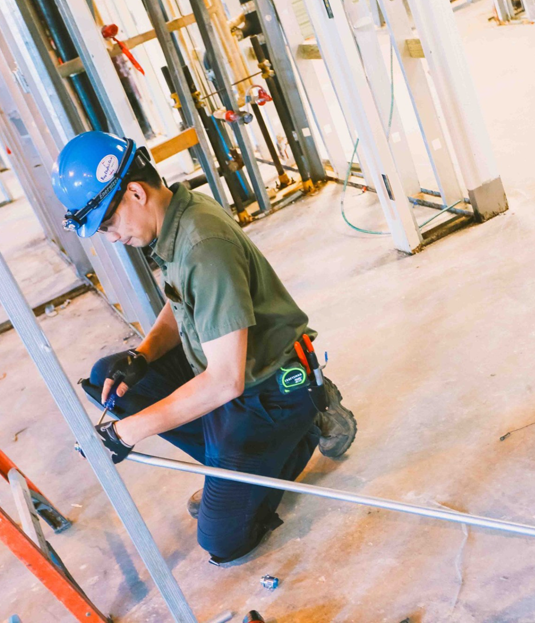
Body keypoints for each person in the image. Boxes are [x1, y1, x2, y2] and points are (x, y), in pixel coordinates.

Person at [51, 131, 357, 564]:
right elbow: (182, 306)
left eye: (108, 223)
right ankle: (238, 474)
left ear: (135, 192)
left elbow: (225, 382)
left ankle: (311, 420)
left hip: (269, 388)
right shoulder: (175, 217)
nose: (112, 237)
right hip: (227, 371)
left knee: (223, 541)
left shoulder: (202, 244)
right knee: (109, 378)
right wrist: (142, 356)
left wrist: (126, 433)